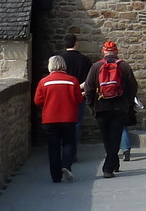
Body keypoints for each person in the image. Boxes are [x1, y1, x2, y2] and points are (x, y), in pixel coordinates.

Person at [84, 40, 139, 179]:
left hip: (101, 107)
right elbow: (133, 87)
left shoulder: (96, 67)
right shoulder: (124, 66)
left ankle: (108, 167)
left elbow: (89, 88)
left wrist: (91, 105)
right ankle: (112, 165)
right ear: (116, 51)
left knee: (107, 138)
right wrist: (129, 103)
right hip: (120, 107)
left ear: (103, 51)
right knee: (115, 137)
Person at [33, 55, 82, 183]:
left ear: (51, 66)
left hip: (50, 119)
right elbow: (79, 100)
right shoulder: (72, 81)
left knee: (53, 147)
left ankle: (56, 176)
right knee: (69, 143)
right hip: (68, 117)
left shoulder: (44, 82)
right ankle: (66, 166)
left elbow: (38, 101)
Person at [59, 35, 92, 155]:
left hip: (62, 96)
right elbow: (90, 80)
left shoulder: (59, 59)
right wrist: (78, 88)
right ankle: (72, 152)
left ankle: (64, 149)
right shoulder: (85, 60)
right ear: (76, 43)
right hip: (79, 96)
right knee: (76, 124)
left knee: (62, 123)